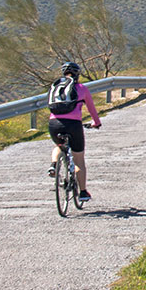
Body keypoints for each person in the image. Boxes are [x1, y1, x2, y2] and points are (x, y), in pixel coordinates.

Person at [47, 61, 101, 202]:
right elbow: (91, 109)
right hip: (73, 125)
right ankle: (83, 192)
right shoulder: (81, 88)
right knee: (79, 160)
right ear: (77, 74)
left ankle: (53, 164)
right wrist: (96, 123)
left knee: (59, 146)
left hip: (54, 124)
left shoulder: (55, 87)